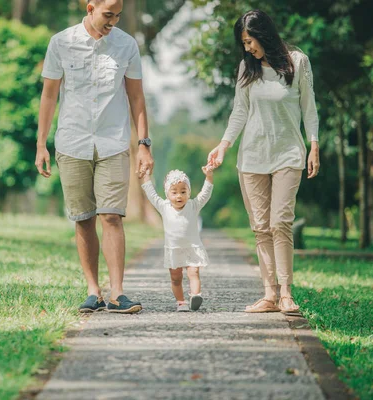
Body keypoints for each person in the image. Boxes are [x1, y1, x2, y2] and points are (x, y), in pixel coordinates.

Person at [34, 0, 154, 314]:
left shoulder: (126, 45)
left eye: (118, 15)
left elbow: (136, 97)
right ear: (90, 8)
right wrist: (40, 144)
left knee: (112, 216)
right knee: (83, 218)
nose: (113, 21)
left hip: (113, 143)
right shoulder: (61, 42)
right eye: (108, 14)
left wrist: (144, 143)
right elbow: (49, 96)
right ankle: (93, 291)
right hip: (72, 142)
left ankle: (117, 293)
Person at [207, 10, 320, 313]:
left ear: (264, 34)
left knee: (280, 222)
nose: (248, 48)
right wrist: (223, 145)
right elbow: (239, 111)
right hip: (252, 156)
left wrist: (314, 145)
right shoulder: (247, 67)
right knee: (260, 227)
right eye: (243, 43)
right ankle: (269, 294)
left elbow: (309, 107)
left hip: (288, 153)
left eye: (250, 41)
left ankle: (286, 293)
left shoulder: (298, 62)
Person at [140, 167, 214, 312]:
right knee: (176, 278)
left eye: (183, 191)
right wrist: (146, 177)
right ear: (167, 193)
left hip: (192, 248)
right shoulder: (164, 206)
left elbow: (205, 193)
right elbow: (151, 194)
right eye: (174, 192)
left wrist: (209, 177)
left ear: (189, 192)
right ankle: (181, 302)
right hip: (173, 250)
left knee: (194, 273)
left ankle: (195, 296)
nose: (179, 196)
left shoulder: (193, 205)